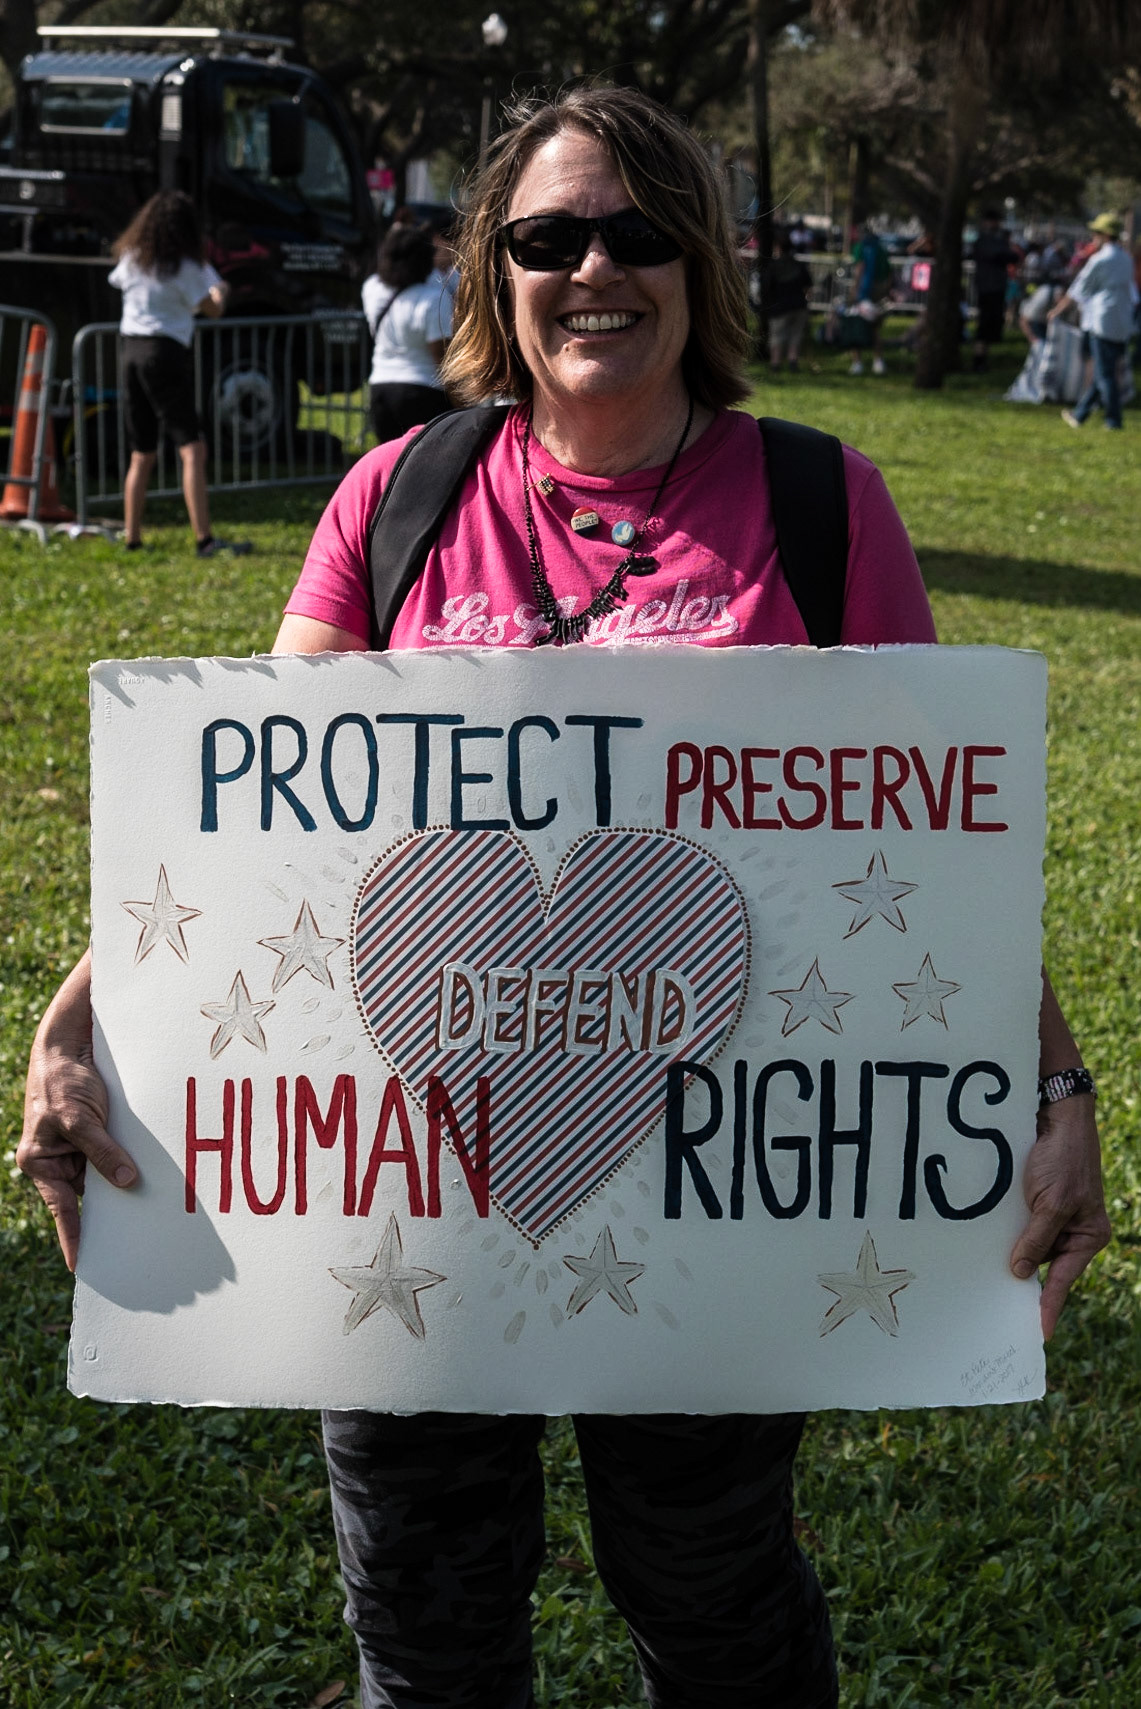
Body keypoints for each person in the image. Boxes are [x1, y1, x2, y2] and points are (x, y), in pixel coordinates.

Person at [19, 86, 1111, 1709]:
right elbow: (243, 825)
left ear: (701, 264)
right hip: (408, 1195)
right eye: (548, 236)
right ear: (495, 268)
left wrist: (1056, 1076)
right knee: (426, 1619)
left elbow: (931, 841)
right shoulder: (387, 501)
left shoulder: (821, 508)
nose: (595, 268)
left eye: (639, 230)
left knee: (713, 1592)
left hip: (714, 1190)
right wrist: (71, 1027)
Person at [108, 190, 250, 558]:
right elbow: (213, 309)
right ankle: (204, 539)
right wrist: (222, 289)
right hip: (165, 353)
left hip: (130, 351)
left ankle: (132, 537)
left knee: (142, 452)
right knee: (192, 448)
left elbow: (118, 282)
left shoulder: (133, 256)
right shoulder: (186, 267)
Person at [361, 224, 453, 446]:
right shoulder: (433, 300)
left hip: (380, 389)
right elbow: (441, 359)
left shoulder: (372, 289)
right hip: (422, 391)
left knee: (392, 467)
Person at [1050, 213, 1134, 431]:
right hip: (1122, 321)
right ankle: (1080, 415)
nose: (1093, 237)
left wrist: (1057, 310)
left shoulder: (1100, 259)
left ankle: (1113, 420)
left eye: (1096, 233)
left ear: (1105, 235)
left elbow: (1079, 288)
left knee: (1105, 375)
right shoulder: (1126, 258)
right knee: (1105, 372)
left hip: (1103, 320)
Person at [970, 209, 1019, 372]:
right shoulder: (983, 241)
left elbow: (1012, 257)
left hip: (997, 287)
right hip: (986, 288)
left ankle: (984, 358)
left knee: (993, 325)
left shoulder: (999, 240)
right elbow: (1001, 255)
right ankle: (978, 360)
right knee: (984, 326)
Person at [765, 227, 813, 373]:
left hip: (779, 307)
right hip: (798, 304)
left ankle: (775, 363)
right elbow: (808, 284)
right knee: (795, 335)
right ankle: (793, 362)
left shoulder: (773, 267)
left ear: (777, 247)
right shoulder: (798, 265)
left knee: (777, 336)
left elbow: (767, 288)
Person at [848, 223, 890, 375]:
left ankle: (857, 363)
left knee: (856, 326)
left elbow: (860, 270)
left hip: (862, 295)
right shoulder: (880, 250)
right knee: (875, 329)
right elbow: (888, 274)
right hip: (877, 295)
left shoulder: (860, 248)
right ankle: (878, 361)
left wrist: (854, 292)